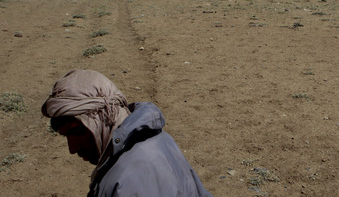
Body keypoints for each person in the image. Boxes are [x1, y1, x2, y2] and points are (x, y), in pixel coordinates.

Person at [41, 69, 213, 197]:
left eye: (77, 132)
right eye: (66, 136)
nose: (72, 148)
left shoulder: (128, 180)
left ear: (103, 116)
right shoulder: (158, 140)